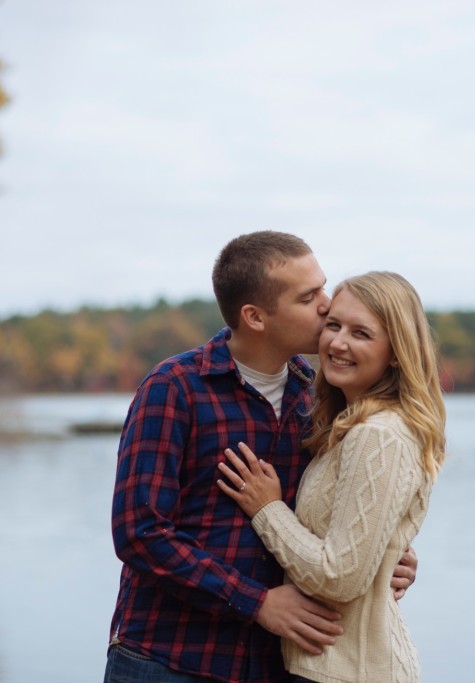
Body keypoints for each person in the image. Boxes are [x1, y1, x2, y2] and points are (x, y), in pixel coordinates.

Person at [105, 232, 417, 683]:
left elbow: (332, 512)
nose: (327, 305)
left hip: (274, 665)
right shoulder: (174, 388)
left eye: (323, 288)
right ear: (254, 316)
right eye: (309, 297)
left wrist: (387, 553)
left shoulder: (318, 397)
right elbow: (140, 533)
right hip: (167, 659)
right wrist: (257, 602)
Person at [217, 271, 446, 683]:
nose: (338, 343)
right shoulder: (347, 426)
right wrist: (389, 559)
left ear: (396, 351)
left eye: (361, 333)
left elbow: (339, 576)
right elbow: (359, 544)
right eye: (334, 325)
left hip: (352, 671)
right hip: (326, 667)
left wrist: (267, 509)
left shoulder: (379, 435)